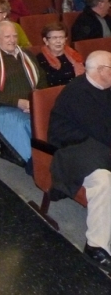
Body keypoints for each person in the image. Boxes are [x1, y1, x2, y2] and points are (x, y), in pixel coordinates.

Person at [48, 51, 111, 269]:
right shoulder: (77, 92)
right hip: (73, 150)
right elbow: (100, 130)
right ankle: (96, 245)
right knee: (103, 181)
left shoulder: (105, 88)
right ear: (101, 71)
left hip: (98, 145)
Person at [0, 21, 46, 167]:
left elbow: (41, 79)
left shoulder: (27, 54)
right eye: (7, 36)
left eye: (14, 36)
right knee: (26, 124)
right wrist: (18, 102)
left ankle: (51, 157)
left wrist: (36, 101)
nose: (12, 40)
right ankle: (35, 163)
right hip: (8, 106)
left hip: (32, 102)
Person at [36, 22, 84, 87]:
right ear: (46, 41)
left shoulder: (73, 55)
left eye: (61, 37)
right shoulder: (39, 60)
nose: (58, 41)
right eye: (54, 38)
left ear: (66, 39)